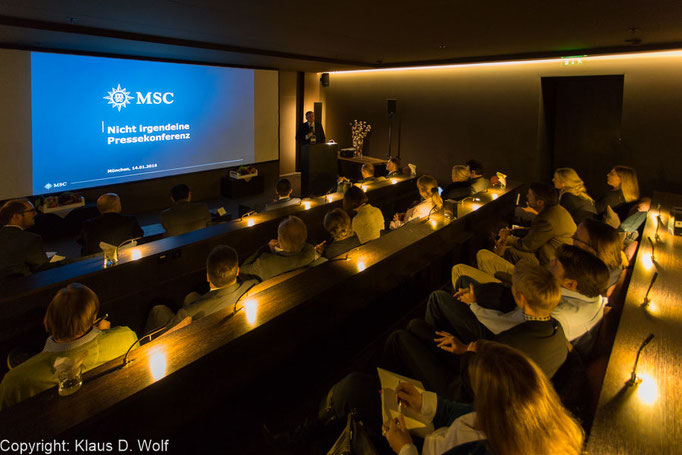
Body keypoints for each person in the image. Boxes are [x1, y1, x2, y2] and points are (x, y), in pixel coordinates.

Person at [384, 262, 568, 398]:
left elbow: (470, 381)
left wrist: (466, 351)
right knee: (415, 326)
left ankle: (392, 390)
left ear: (520, 298)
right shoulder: (558, 333)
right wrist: (466, 348)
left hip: (466, 394)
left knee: (398, 337)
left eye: (513, 287)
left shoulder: (510, 343)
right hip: (486, 373)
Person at [382, 341, 584, 455]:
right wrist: (423, 402)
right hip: (435, 437)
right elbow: (467, 413)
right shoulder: (529, 414)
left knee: (355, 387)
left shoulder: (484, 451)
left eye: (478, 392)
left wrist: (404, 448)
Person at [0, 283, 137, 410]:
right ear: (94, 317)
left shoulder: (14, 382)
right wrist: (103, 333)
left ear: (48, 320)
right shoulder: (127, 337)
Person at [446, 245, 608, 348]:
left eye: (556, 264)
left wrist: (473, 304)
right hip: (516, 295)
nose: (551, 262)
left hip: (496, 334)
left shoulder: (556, 315)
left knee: (459, 281)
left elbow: (505, 326)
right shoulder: (594, 297)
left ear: (571, 284)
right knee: (482, 257)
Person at [145, 245, 258, 333]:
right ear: (237, 271)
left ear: (208, 277)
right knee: (190, 297)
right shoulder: (253, 284)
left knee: (158, 310)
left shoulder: (187, 314)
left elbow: (165, 337)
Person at [476, 182, 576, 276]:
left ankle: (507, 282)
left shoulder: (547, 219)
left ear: (540, 202)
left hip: (551, 264)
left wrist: (507, 239)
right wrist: (511, 232)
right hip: (555, 256)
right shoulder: (554, 210)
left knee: (509, 252)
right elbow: (535, 232)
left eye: (530, 195)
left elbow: (527, 246)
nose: (527, 197)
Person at [240, 216, 318, 281]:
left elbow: (242, 270)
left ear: (279, 239)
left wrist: (265, 248)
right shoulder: (309, 252)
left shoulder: (263, 263)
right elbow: (306, 244)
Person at [78, 193, 144, 256]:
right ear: (116, 206)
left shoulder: (88, 224)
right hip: (125, 256)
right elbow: (139, 235)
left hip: (96, 260)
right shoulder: (130, 220)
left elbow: (80, 241)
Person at [573, 219, 626, 295]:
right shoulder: (614, 264)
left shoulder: (586, 284)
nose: (572, 243)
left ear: (592, 251)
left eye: (575, 238)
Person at [0, 199, 49, 280]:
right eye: (31, 211)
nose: (35, 214)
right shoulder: (30, 238)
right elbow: (42, 267)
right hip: (24, 287)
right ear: (16, 216)